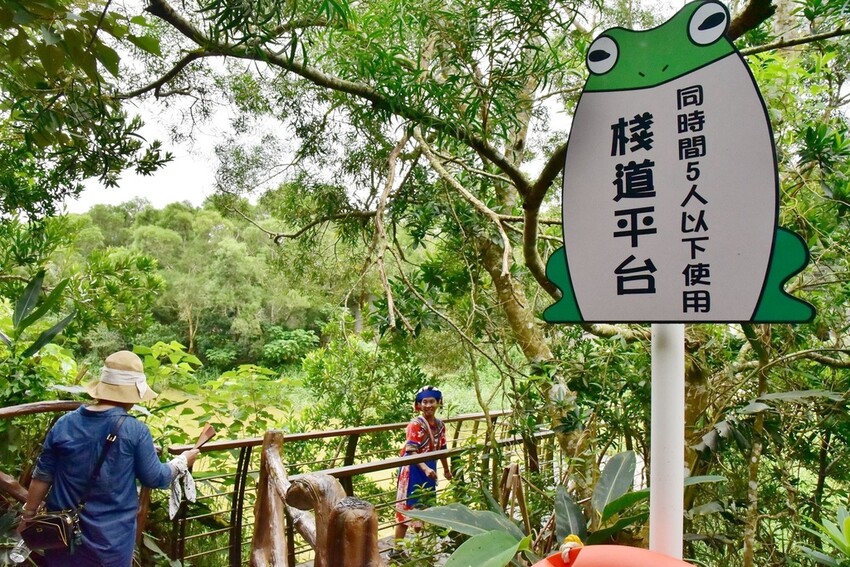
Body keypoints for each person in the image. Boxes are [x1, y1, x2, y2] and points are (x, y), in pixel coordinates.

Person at [18, 350, 200, 567]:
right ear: (132, 395)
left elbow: (43, 474)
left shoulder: (65, 423)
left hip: (61, 535)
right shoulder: (136, 430)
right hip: (110, 543)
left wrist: (28, 515)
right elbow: (156, 478)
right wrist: (181, 463)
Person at [394, 385, 453, 548]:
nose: (428, 405)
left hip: (429, 469)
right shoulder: (415, 425)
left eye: (431, 401)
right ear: (418, 405)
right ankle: (397, 549)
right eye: (424, 402)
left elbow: (442, 449)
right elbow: (411, 451)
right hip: (413, 469)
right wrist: (426, 469)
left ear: (438, 403)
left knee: (425, 508)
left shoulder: (440, 425)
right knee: (406, 512)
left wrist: (446, 470)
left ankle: (420, 547)